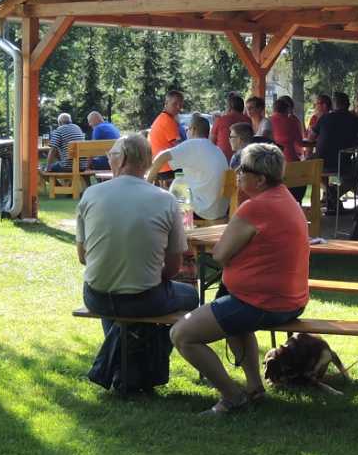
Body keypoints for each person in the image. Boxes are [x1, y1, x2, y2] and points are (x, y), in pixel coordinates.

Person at [170, 143, 311, 416]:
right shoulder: (285, 199)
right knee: (235, 321)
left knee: (181, 334)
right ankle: (255, 387)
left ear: (260, 179)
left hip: (261, 303)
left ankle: (232, 396)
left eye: (242, 169)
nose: (236, 172)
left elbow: (221, 254)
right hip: (288, 301)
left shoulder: (254, 208)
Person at [78, 134, 199, 396]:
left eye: (111, 155)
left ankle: (124, 372)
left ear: (121, 160)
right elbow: (173, 268)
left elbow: (83, 257)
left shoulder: (91, 194)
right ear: (145, 162)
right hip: (145, 297)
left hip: (96, 295)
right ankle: (139, 372)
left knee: (125, 307)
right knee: (189, 295)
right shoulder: (165, 200)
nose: (109, 160)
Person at [152, 113, 232, 223]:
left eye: (188, 129)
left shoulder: (193, 144)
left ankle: (180, 229)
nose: (186, 132)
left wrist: (146, 184)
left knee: (177, 186)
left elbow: (161, 157)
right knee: (181, 179)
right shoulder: (216, 149)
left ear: (193, 129)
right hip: (220, 210)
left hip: (205, 211)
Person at [311, 90, 358, 214]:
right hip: (343, 162)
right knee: (354, 176)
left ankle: (331, 196)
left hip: (320, 161)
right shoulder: (354, 119)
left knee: (311, 167)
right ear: (347, 105)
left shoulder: (325, 117)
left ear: (335, 104)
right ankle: (334, 195)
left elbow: (310, 138)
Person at [148, 90, 186, 169]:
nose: (178, 107)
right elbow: (180, 147)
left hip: (160, 166)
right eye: (175, 104)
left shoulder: (163, 117)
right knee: (185, 178)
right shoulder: (168, 121)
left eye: (181, 105)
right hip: (168, 169)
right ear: (166, 103)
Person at [267, 95, 304, 160]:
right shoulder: (293, 121)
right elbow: (300, 142)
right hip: (290, 158)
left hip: (272, 159)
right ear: (287, 109)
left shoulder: (267, 121)